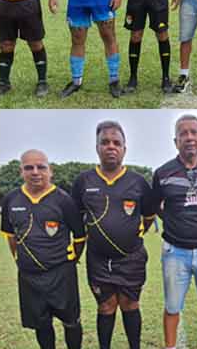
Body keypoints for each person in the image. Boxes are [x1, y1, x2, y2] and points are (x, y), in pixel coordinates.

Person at [73, 120, 154, 349]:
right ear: (97, 147)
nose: (111, 147)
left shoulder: (138, 182)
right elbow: (77, 218)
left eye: (116, 143)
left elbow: (148, 216)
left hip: (132, 258)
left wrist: (132, 234)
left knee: (130, 304)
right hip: (98, 259)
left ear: (124, 149)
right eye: (105, 142)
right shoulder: (83, 182)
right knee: (106, 307)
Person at [150, 114, 197, 349]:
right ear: (176, 141)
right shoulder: (162, 173)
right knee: (172, 307)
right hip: (175, 251)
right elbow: (156, 206)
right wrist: (176, 221)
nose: (189, 137)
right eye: (183, 133)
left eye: (194, 132)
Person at [3, 148, 85, 349]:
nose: (35, 172)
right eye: (28, 168)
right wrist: (20, 260)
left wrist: (71, 260)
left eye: (41, 167)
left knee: (71, 321)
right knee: (41, 323)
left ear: (51, 171)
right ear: (21, 172)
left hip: (61, 273)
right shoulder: (11, 199)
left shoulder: (64, 200)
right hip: (29, 276)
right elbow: (11, 236)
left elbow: (80, 236)